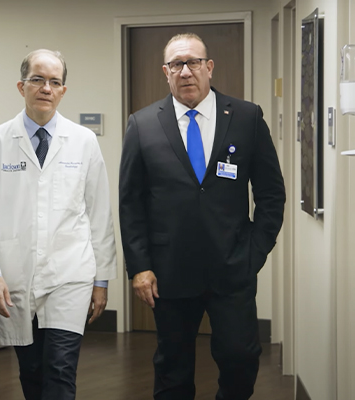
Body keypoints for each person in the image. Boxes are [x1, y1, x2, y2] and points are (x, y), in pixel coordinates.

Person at [119, 33, 285, 400]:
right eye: (176, 64)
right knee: (172, 369)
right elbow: (130, 203)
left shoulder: (245, 117)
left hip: (233, 267)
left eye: (193, 62)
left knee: (240, 358)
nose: (186, 71)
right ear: (166, 72)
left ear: (209, 67)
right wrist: (139, 266)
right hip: (168, 272)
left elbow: (271, 194)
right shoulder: (142, 125)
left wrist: (253, 253)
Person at [0, 49, 117, 400]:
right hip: (15, 277)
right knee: (32, 371)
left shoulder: (83, 141)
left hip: (71, 274)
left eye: (54, 81)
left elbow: (100, 215)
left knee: (60, 369)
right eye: (38, 79)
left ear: (63, 90)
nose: (46, 88)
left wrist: (101, 281)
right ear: (22, 86)